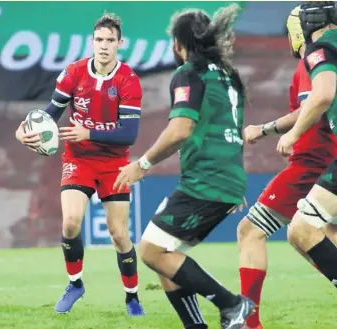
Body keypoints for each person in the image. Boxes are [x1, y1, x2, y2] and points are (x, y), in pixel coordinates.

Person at [114, 5, 254, 329]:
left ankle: (232, 305)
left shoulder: (189, 73)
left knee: (151, 251)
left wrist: (143, 164)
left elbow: (180, 130)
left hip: (205, 182)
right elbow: (229, 130)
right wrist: (233, 182)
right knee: (166, 255)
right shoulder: (227, 75)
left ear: (179, 43)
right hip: (223, 179)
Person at [15, 13, 145, 316]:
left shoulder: (128, 80)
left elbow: (130, 133)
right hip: (79, 160)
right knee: (71, 222)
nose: (103, 46)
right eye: (99, 40)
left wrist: (88, 131)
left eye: (110, 41)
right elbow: (50, 115)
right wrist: (25, 132)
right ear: (92, 42)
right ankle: (75, 284)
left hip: (114, 163)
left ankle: (132, 296)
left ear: (119, 44)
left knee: (118, 234)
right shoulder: (73, 73)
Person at [237, 6, 337, 329]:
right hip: (318, 165)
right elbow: (310, 107)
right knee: (311, 233)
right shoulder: (308, 63)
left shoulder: (318, 54)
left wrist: (281, 133)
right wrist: (269, 130)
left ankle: (249, 324)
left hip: (314, 165)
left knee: (258, 230)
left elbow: (319, 101)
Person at [277, 1, 337, 289]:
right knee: (321, 229)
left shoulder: (322, 48)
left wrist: (292, 134)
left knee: (301, 230)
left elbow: (323, 94)